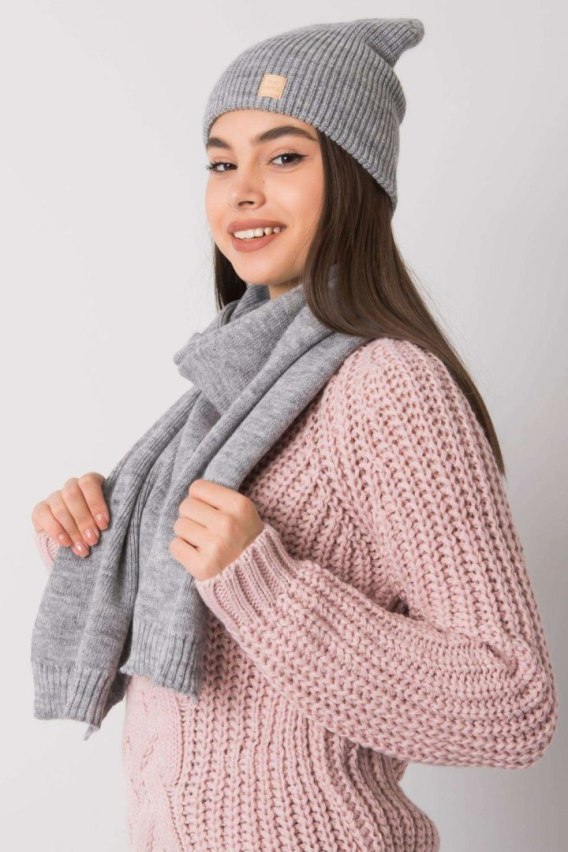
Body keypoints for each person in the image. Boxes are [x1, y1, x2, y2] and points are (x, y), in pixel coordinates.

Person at [31, 18, 558, 852]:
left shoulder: (389, 385)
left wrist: (265, 586)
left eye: (283, 157)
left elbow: (512, 702)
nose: (242, 191)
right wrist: (98, 538)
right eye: (221, 163)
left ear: (354, 178)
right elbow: (200, 664)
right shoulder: (222, 400)